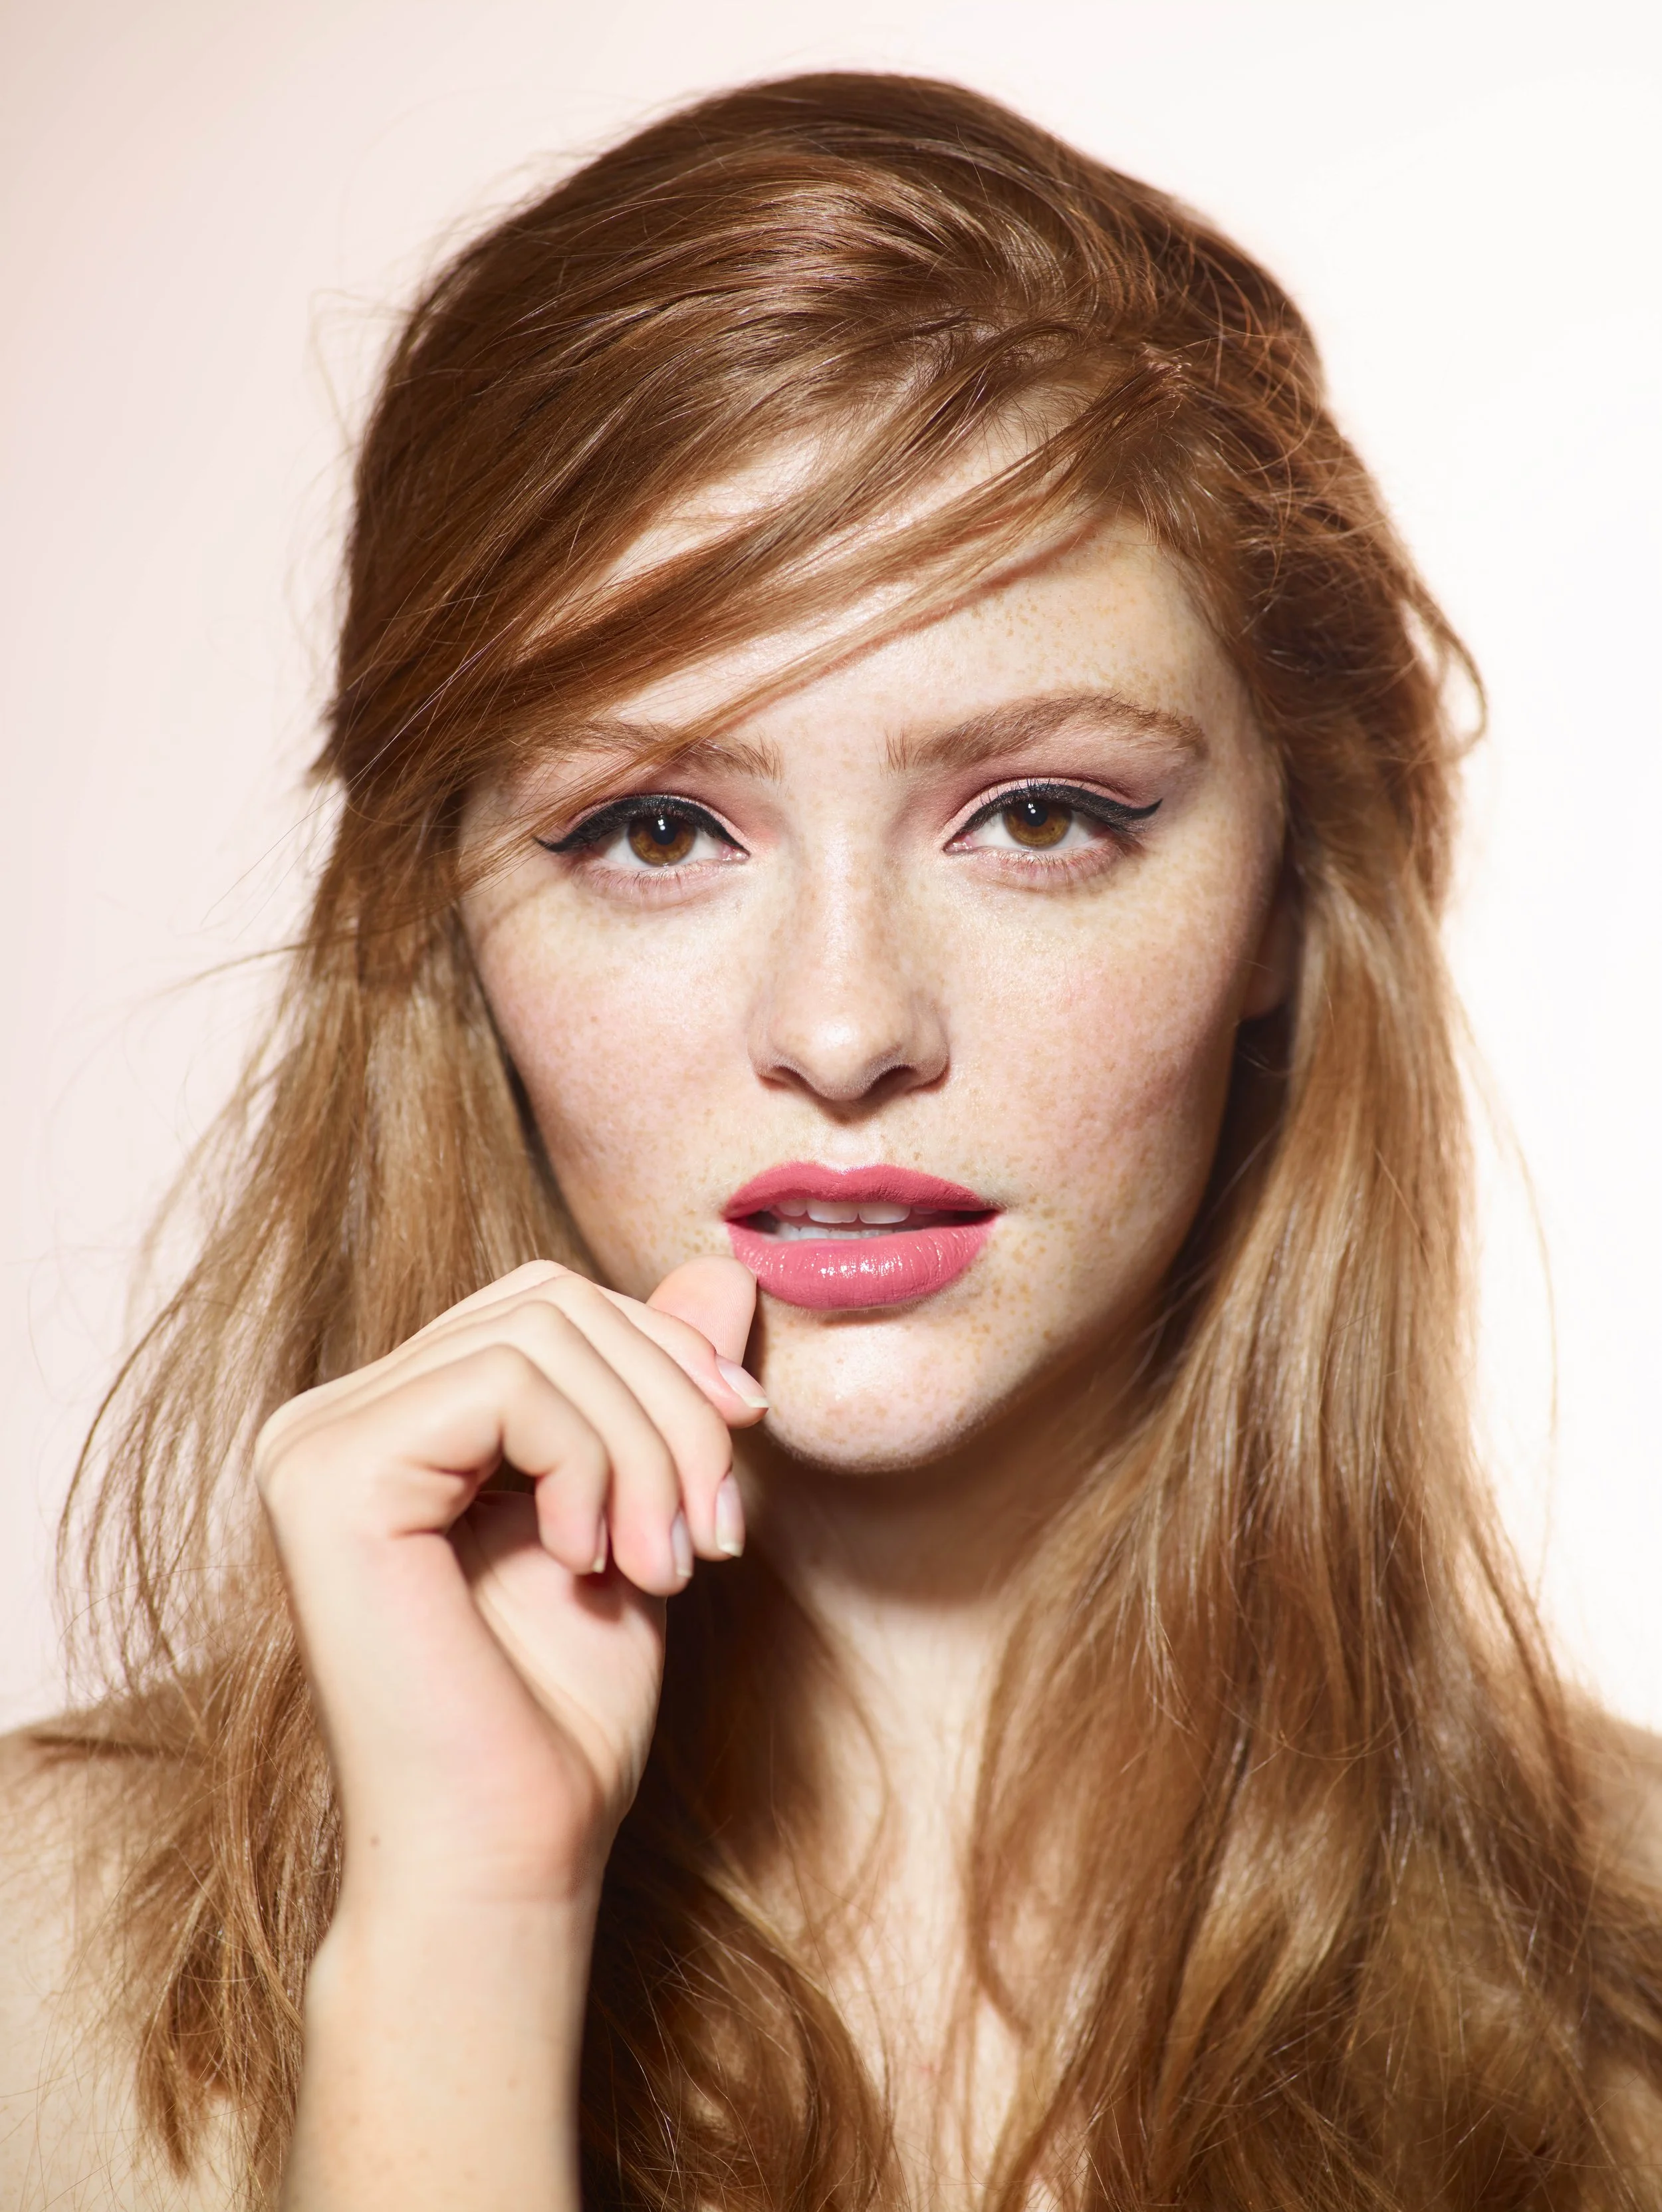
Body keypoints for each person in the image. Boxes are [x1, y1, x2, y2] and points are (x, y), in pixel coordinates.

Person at [2, 68, 1659, 2212]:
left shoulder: (1629, 1994)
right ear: (452, 912)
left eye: (1042, 813)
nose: (847, 1025)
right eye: (658, 828)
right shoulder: (43, 1964)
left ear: (1279, 886)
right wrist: (458, 1945)